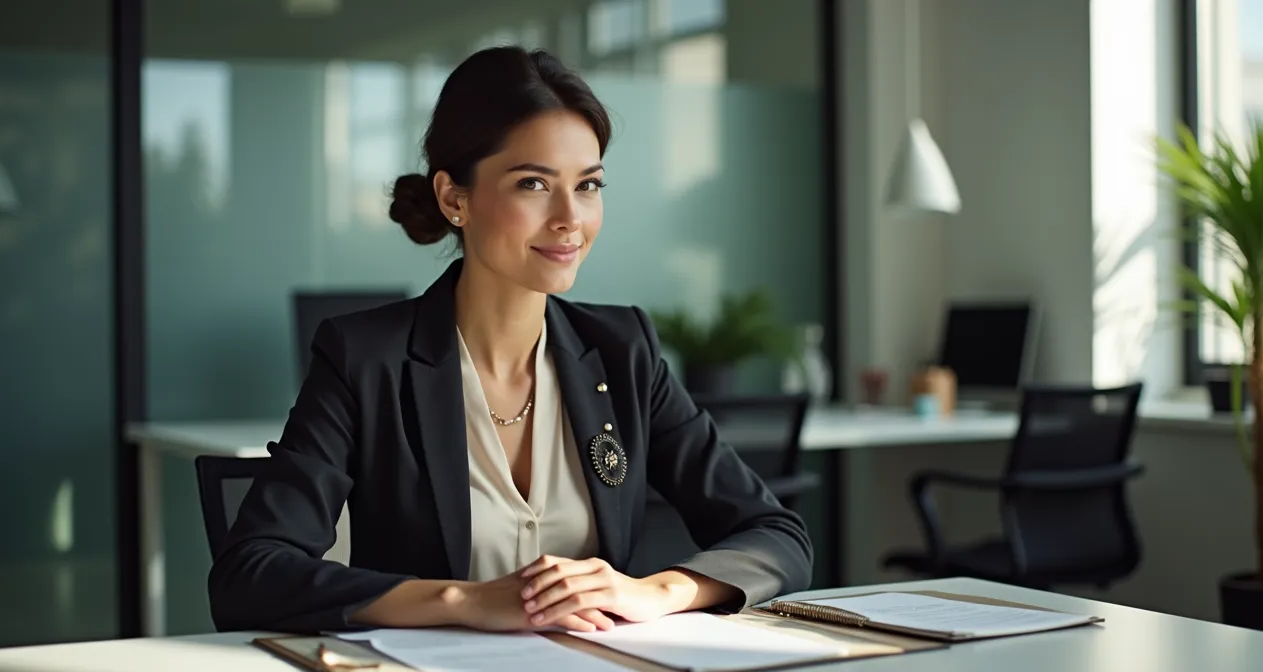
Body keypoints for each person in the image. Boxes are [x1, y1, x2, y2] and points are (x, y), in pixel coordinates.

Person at [207, 45, 812, 635]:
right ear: (454, 198)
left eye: (589, 185)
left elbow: (776, 535)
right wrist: (461, 600)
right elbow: (250, 574)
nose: (569, 218)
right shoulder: (365, 359)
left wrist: (651, 591)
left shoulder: (623, 349)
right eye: (532, 184)